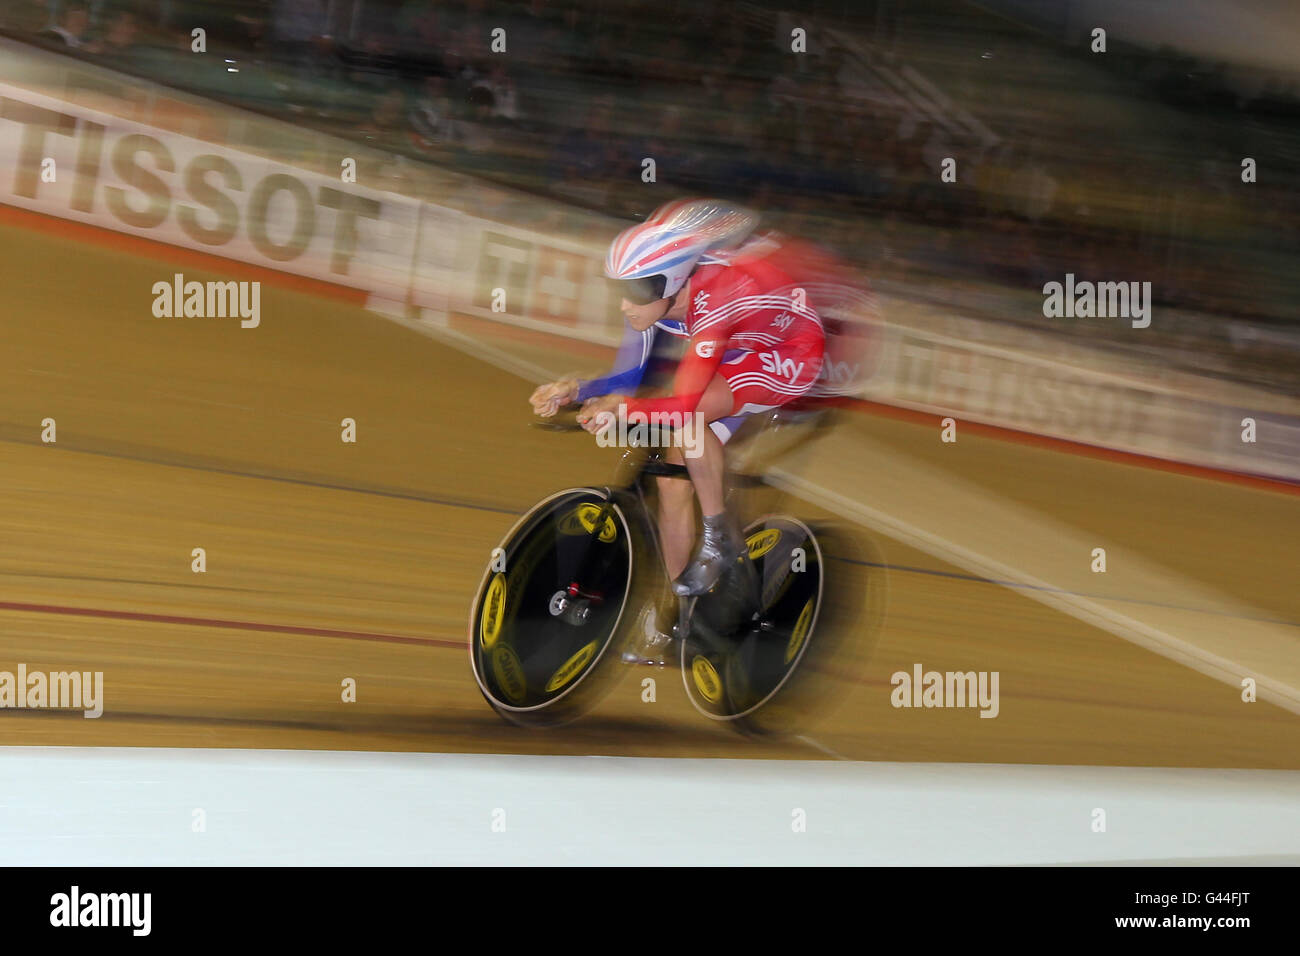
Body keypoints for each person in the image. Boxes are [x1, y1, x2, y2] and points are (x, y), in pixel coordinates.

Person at [529, 198, 829, 663]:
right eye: (622, 289)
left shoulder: (715, 297)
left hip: (791, 352)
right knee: (671, 481)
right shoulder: (655, 304)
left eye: (637, 290)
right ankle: (684, 619)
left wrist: (625, 410)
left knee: (687, 420)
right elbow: (629, 380)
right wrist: (577, 388)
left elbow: (685, 403)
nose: (626, 303)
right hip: (737, 350)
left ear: (671, 282)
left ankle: (718, 537)